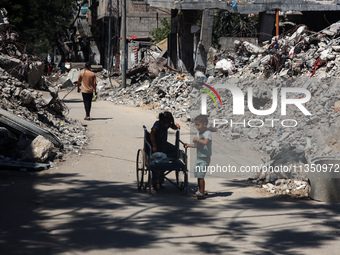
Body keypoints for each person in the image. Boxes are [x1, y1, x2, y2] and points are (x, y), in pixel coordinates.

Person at [150, 111, 180, 190]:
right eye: (166, 123)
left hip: (163, 144)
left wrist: (176, 126)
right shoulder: (157, 124)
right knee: (155, 166)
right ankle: (154, 184)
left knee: (164, 162)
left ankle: (160, 182)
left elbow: (173, 126)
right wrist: (154, 146)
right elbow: (152, 134)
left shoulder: (167, 123)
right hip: (157, 144)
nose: (166, 125)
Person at [186, 115, 212, 200]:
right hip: (199, 157)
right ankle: (200, 190)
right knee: (198, 174)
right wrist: (189, 145)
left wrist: (197, 140)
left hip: (205, 158)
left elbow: (205, 142)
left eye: (198, 125)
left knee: (201, 175)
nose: (197, 127)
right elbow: (198, 145)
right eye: (196, 125)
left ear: (205, 124)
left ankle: (202, 192)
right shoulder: (199, 133)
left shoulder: (207, 133)